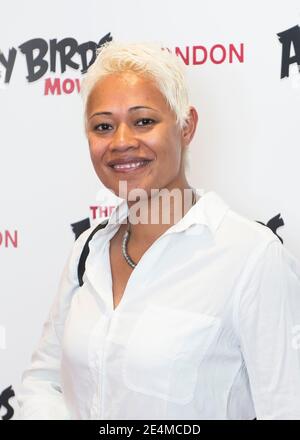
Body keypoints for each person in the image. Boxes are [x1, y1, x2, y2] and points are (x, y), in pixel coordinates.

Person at [17, 40, 300, 420]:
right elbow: (45, 380)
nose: (121, 142)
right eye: (103, 126)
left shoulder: (250, 256)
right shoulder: (89, 249)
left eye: (143, 121)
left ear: (187, 127)